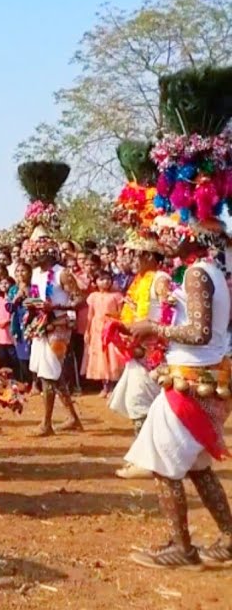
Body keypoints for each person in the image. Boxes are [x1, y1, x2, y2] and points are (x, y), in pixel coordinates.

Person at [123, 226, 232, 568]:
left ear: (192, 237)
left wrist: (155, 329)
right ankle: (229, 538)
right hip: (198, 378)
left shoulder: (198, 273)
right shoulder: (207, 271)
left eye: (171, 232)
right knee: (198, 467)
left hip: (190, 382)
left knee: (163, 465)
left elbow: (199, 332)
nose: (163, 239)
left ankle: (182, 549)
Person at [109, 238, 171, 479]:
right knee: (138, 404)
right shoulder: (139, 281)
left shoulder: (160, 280)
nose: (132, 259)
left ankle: (148, 461)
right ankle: (147, 457)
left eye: (136, 254)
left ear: (149, 256)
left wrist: (149, 334)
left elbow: (170, 316)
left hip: (153, 352)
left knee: (142, 405)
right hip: (137, 350)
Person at [25, 238, 85, 436]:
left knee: (49, 374)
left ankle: (46, 424)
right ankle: (73, 419)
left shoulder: (62, 273)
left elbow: (80, 299)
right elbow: (36, 298)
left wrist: (57, 307)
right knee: (53, 373)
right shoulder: (35, 274)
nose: (33, 257)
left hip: (60, 326)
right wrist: (30, 305)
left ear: (49, 254)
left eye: (37, 253)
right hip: (42, 326)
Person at [84, 270, 126, 396]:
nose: (105, 282)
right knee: (100, 355)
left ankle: (113, 386)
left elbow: (121, 314)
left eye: (108, 279)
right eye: (101, 279)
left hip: (111, 328)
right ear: (95, 282)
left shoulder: (116, 296)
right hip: (97, 328)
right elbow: (90, 315)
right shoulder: (93, 297)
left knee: (112, 355)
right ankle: (105, 386)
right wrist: (87, 331)